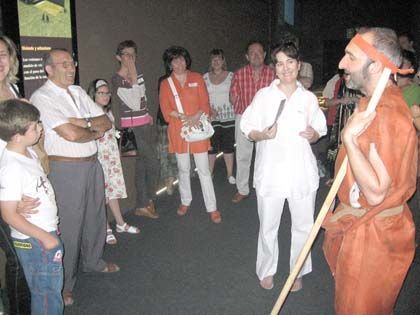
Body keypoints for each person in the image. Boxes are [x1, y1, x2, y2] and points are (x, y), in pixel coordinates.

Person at [323, 27, 417, 314]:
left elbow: (376, 193)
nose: (341, 64)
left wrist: (349, 140)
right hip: (363, 228)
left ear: (375, 65)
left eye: (350, 57)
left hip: (372, 239)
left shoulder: (386, 113)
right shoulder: (371, 103)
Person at [30, 48, 119, 306]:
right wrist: (88, 126)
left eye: (72, 63)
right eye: (64, 64)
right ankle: (65, 284)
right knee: (69, 227)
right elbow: (70, 135)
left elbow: (106, 122)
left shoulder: (79, 92)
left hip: (92, 164)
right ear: (48, 69)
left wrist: (80, 123)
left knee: (95, 218)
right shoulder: (42, 97)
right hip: (66, 168)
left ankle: (93, 262)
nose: (71, 68)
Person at [240, 42, 327, 290]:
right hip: (270, 172)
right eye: (279, 62)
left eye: (290, 62)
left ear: (299, 65)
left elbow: (319, 128)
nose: (285, 67)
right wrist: (262, 135)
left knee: (302, 225)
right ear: (274, 67)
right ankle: (266, 268)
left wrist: (313, 134)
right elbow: (248, 128)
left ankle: (297, 270)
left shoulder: (308, 98)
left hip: (301, 172)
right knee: (268, 225)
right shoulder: (264, 96)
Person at [0, 99, 64, 314]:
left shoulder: (29, 152)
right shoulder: (11, 166)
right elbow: (8, 214)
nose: (40, 128)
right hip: (35, 240)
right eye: (35, 125)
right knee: (46, 295)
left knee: (51, 291)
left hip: (43, 232)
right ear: (17, 135)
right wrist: (45, 237)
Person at [159, 46, 221, 224]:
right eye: (174, 60)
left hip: (198, 128)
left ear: (186, 60)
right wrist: (182, 117)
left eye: (182, 59)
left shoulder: (197, 78)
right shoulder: (165, 84)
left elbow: (205, 103)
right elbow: (165, 111)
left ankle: (212, 207)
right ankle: (185, 200)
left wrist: (195, 117)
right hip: (179, 131)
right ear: (169, 64)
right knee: (183, 168)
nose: (179, 63)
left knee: (204, 170)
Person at [0, 35, 33, 315]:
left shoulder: (12, 88)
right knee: (17, 257)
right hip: (4, 192)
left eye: (2, 54)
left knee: (25, 255)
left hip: (21, 183)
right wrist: (8, 199)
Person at [111, 40, 160, 219]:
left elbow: (142, 98)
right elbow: (133, 101)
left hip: (144, 124)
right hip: (132, 129)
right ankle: (148, 199)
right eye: (126, 55)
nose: (131, 58)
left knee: (142, 166)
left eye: (133, 55)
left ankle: (142, 205)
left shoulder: (137, 74)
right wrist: (132, 72)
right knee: (154, 163)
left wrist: (147, 116)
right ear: (118, 57)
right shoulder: (117, 79)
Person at [87, 79, 140, 245]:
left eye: (107, 93)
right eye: (101, 93)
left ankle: (120, 223)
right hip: (99, 159)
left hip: (111, 158)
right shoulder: (89, 114)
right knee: (101, 195)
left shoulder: (108, 112)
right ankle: (106, 229)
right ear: (93, 94)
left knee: (112, 193)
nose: (105, 96)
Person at [230, 40, 275, 203]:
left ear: (264, 55)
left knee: (267, 155)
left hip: (267, 119)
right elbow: (233, 98)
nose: (256, 55)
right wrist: (233, 98)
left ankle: (266, 186)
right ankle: (242, 189)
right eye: (252, 53)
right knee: (243, 155)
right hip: (244, 117)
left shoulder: (273, 74)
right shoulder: (239, 74)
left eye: (259, 52)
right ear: (247, 56)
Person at [203, 49, 236, 184]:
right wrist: (208, 110)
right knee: (211, 146)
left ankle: (229, 174)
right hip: (211, 117)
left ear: (223, 61)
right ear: (211, 62)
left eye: (219, 59)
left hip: (229, 116)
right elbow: (201, 97)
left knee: (228, 145)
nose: (216, 61)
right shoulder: (204, 77)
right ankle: (209, 174)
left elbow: (235, 95)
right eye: (213, 59)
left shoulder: (231, 76)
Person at [323, 70, 360, 182]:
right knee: (334, 152)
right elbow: (326, 102)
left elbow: (368, 101)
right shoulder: (335, 81)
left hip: (355, 124)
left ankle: (351, 179)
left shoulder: (360, 81)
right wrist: (340, 100)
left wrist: (354, 100)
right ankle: (334, 177)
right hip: (335, 123)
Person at [157, 74, 178, 195]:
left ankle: (174, 180)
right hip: (164, 122)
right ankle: (168, 182)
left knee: (177, 154)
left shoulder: (187, 77)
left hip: (180, 122)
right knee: (165, 154)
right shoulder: (163, 80)